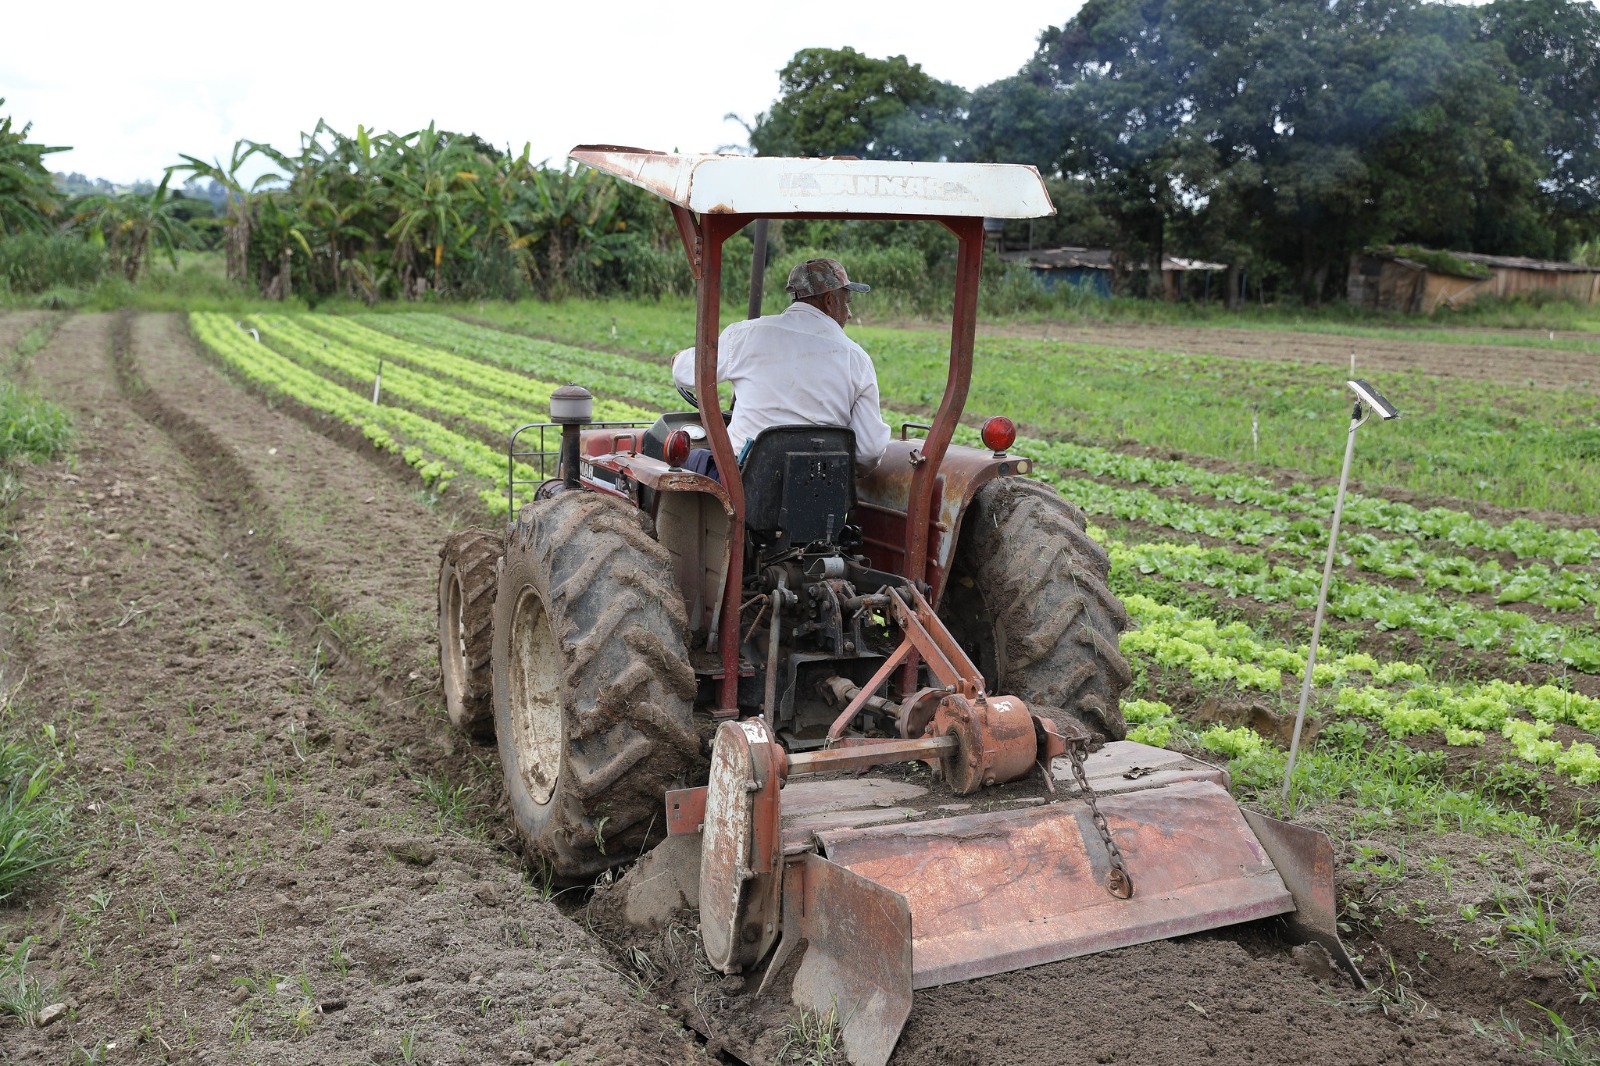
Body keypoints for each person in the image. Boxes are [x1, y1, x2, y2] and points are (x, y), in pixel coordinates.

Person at [671, 257, 892, 476]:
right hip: (821, 488)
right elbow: (869, 452)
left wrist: (678, 358)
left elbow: (685, 372)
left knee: (688, 457)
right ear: (829, 301)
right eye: (847, 303)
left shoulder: (747, 335)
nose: (849, 314)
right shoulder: (857, 359)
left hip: (745, 484)